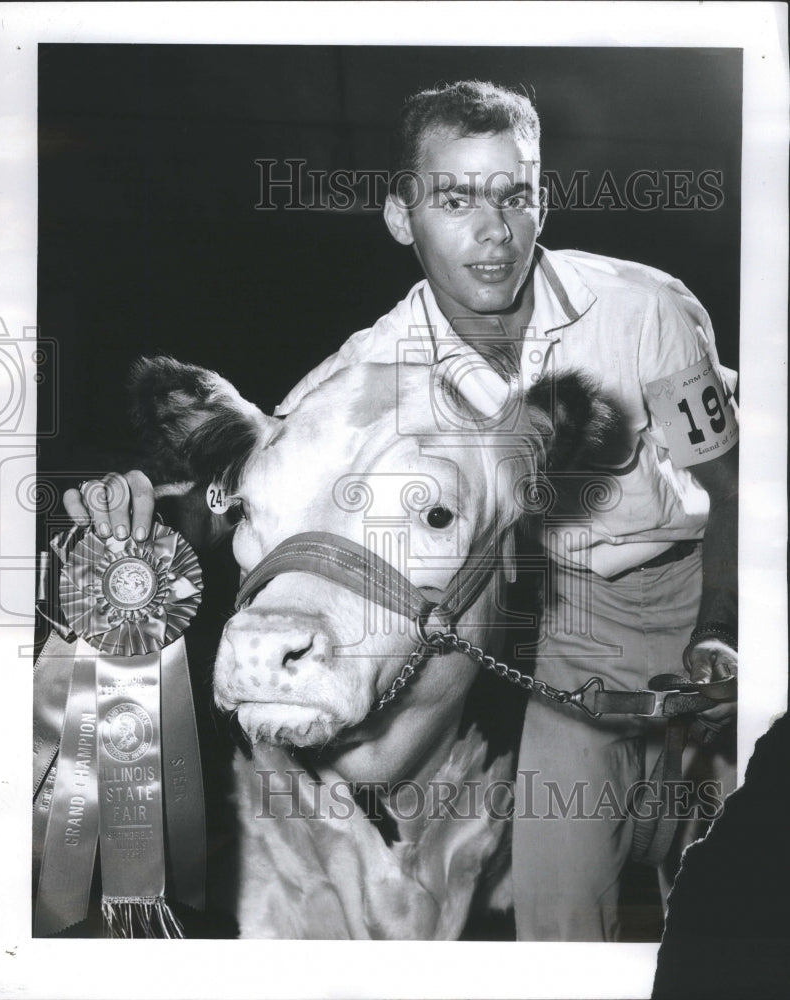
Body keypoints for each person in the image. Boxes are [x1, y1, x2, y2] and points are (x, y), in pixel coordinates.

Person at [64, 80, 739, 941]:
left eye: (513, 194)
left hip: (701, 578)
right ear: (398, 216)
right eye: (453, 199)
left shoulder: (645, 310)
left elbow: (730, 487)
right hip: (567, 628)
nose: (491, 231)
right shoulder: (373, 366)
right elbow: (274, 468)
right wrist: (138, 518)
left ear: (543, 201)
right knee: (558, 910)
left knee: (740, 888)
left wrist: (725, 628)